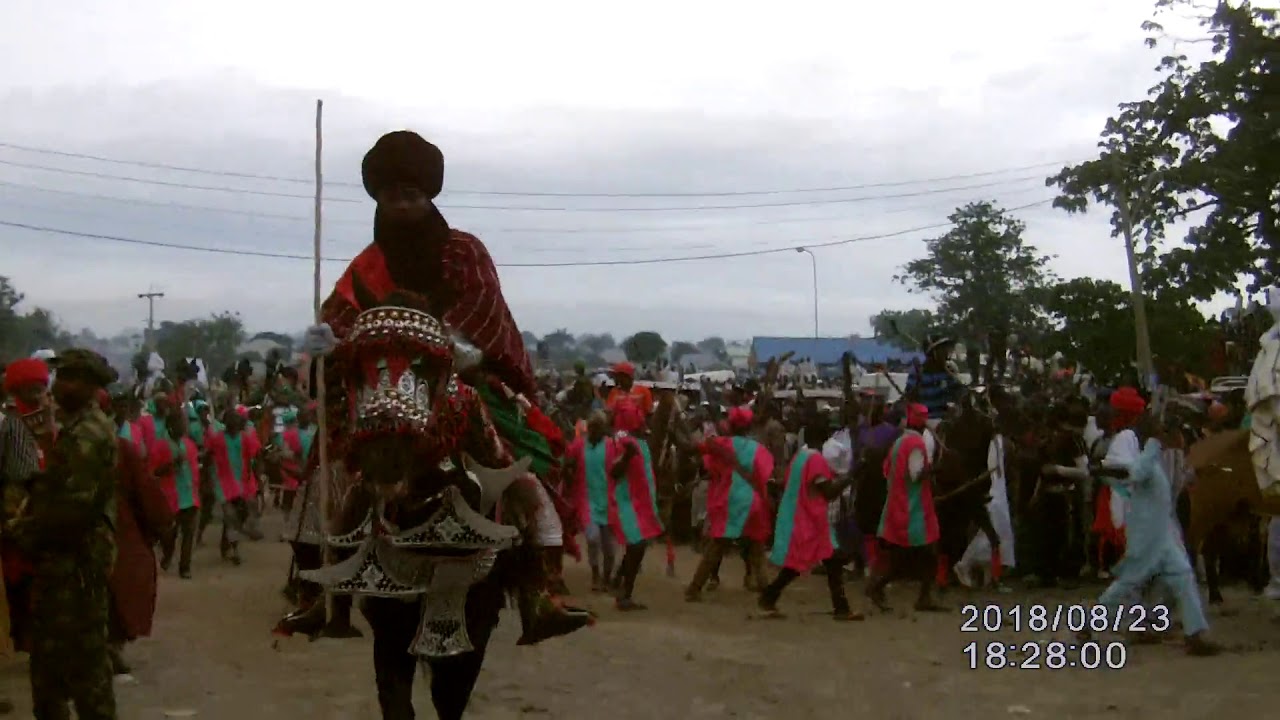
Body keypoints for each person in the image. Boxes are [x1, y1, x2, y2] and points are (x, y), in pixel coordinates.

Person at [8, 349, 119, 719]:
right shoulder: (73, 426)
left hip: (76, 562)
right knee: (51, 663)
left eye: (72, 378)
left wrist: (20, 533)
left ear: (90, 387)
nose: (61, 384)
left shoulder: (88, 433)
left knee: (83, 664)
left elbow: (70, 511)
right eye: (61, 376)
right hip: (65, 560)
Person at [1088, 414, 1219, 656]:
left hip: (1161, 535)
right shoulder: (1148, 458)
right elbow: (1136, 474)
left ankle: (1195, 634)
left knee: (1183, 576)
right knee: (1127, 583)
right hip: (1148, 537)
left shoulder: (1154, 460)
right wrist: (1154, 445)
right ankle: (1088, 624)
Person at [864, 403, 945, 613]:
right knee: (919, 554)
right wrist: (936, 469)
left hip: (898, 504)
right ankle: (880, 588)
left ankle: (919, 595)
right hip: (913, 509)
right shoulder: (916, 444)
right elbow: (917, 474)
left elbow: (886, 471)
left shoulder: (899, 442)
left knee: (914, 556)